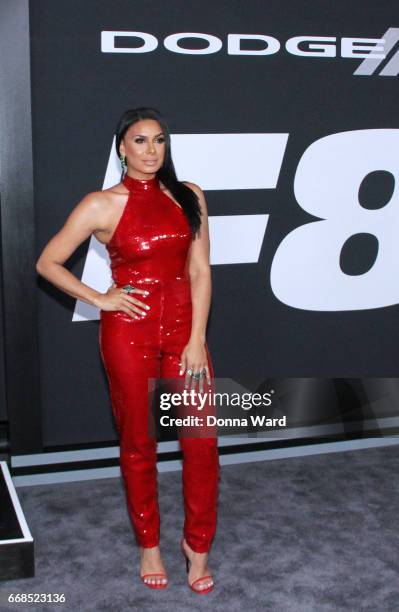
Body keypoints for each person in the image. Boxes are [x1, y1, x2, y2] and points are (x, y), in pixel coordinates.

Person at [35, 107, 220, 594]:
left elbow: (200, 270)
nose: (151, 150)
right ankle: (149, 545)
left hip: (185, 334)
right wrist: (99, 298)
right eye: (140, 141)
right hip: (128, 334)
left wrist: (197, 338)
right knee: (139, 442)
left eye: (159, 140)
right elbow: (48, 262)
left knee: (201, 444)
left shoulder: (189, 196)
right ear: (122, 147)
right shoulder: (101, 204)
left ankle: (197, 548)